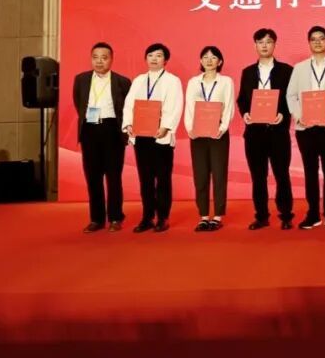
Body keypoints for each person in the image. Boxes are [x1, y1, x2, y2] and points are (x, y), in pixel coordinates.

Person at [286, 26, 325, 230]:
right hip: (305, 127)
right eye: (313, 39)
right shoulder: (299, 68)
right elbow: (291, 95)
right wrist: (299, 116)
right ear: (309, 43)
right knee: (310, 172)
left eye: (321, 38)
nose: (317, 42)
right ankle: (313, 214)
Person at [236, 28, 295, 230]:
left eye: (268, 42)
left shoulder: (286, 71)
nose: (264, 45)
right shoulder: (248, 72)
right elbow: (242, 99)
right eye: (260, 42)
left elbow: (292, 98)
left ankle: (286, 215)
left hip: (278, 132)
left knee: (282, 175)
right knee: (258, 177)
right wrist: (245, 113)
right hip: (255, 133)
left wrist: (284, 115)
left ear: (274, 45)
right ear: (255, 45)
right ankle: (261, 216)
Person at [122, 43, 183, 233]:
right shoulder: (139, 80)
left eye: (158, 55)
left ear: (166, 60)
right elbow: (129, 105)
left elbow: (175, 106)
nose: (154, 59)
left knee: (163, 178)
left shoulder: (172, 81)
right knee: (145, 179)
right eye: (150, 55)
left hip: (160, 136)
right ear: (145, 59)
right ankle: (147, 217)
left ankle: (162, 217)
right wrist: (128, 124)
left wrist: (165, 126)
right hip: (141, 136)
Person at [73, 42, 132, 233]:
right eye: (95, 57)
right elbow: (78, 103)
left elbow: (127, 108)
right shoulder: (81, 79)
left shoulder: (122, 81)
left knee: (114, 177)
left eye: (104, 58)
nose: (99, 61)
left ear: (111, 59)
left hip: (112, 130)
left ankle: (115, 217)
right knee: (93, 176)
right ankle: (96, 219)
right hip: (89, 130)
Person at [184, 46, 236, 232]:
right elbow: (189, 107)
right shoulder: (193, 82)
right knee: (200, 175)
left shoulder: (226, 82)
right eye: (205, 57)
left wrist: (222, 129)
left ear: (220, 61)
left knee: (219, 174)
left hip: (217, 133)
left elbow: (228, 107)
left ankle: (218, 215)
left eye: (213, 57)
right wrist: (190, 129)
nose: (209, 60)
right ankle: (204, 216)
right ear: (200, 61)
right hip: (197, 134)